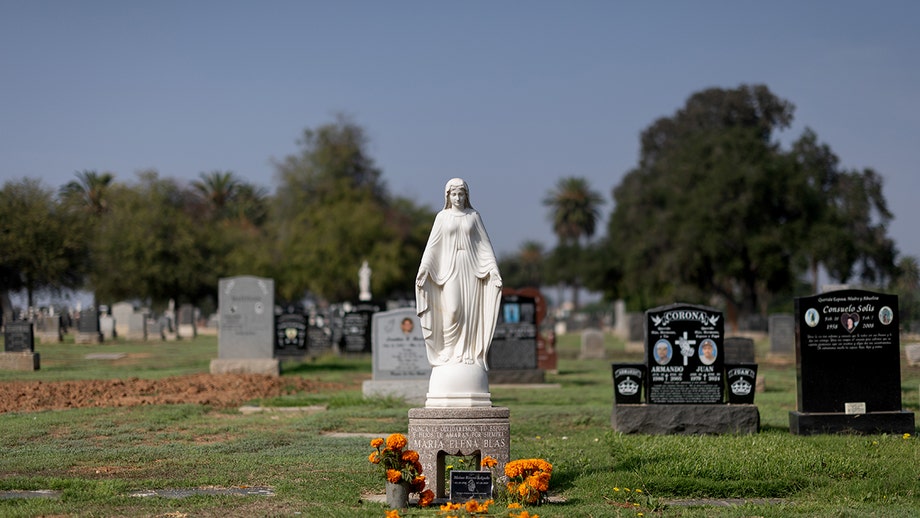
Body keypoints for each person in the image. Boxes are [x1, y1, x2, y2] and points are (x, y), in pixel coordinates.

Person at [416, 178, 503, 369]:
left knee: (468, 310)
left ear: (466, 195)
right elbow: (432, 246)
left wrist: (493, 269)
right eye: (454, 194)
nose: (457, 198)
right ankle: (448, 348)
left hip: (471, 267)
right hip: (449, 268)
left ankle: (467, 351)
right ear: (447, 196)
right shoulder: (442, 217)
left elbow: (484, 246)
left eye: (461, 194)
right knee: (453, 309)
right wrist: (424, 268)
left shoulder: (473, 216)